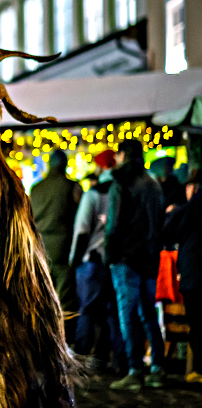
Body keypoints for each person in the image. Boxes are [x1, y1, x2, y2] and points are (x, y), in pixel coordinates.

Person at [105, 139, 166, 390]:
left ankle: (134, 371)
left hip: (126, 258)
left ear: (121, 155)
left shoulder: (121, 183)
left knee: (127, 315)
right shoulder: (153, 184)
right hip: (150, 258)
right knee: (149, 314)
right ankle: (157, 369)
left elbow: (114, 224)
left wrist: (110, 254)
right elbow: (158, 223)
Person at [70, 149, 125, 373]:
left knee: (88, 311)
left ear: (101, 167)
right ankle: (118, 360)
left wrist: (74, 259)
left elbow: (82, 230)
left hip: (92, 261)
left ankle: (80, 359)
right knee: (112, 313)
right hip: (115, 261)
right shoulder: (122, 191)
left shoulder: (92, 195)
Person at [31, 149, 83, 341]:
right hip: (63, 248)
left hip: (39, 249)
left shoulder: (36, 188)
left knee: (42, 297)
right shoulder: (71, 187)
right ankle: (64, 342)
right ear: (65, 165)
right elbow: (81, 219)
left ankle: (43, 341)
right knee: (65, 299)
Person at [161, 170, 202, 382]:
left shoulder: (189, 209)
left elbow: (169, 233)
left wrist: (172, 213)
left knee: (196, 322)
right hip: (194, 274)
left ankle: (197, 369)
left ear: (193, 188)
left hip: (194, 276)